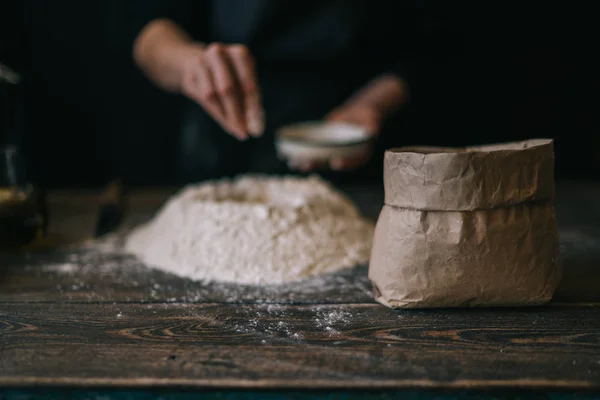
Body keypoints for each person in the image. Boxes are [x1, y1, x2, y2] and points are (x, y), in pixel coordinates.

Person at [131, 0, 420, 182]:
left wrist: (371, 105)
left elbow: (431, 43)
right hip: (217, 149)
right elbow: (148, 28)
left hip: (350, 152)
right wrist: (190, 64)